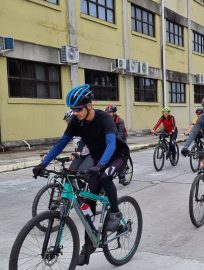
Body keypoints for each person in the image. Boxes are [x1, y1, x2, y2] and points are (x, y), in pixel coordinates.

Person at [32, 84, 130, 266]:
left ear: (89, 105)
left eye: (78, 109)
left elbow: (111, 144)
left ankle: (115, 213)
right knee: (88, 205)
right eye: (72, 109)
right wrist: (43, 163)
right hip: (98, 160)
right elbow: (61, 143)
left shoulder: (104, 119)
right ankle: (88, 247)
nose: (75, 112)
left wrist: (101, 165)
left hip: (117, 156)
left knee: (105, 176)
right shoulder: (77, 122)